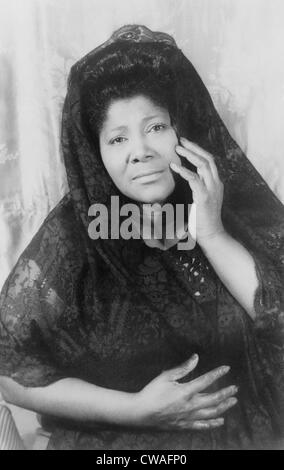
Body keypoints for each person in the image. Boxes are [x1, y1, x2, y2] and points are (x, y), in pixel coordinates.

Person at [0, 24, 283, 450]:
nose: (140, 151)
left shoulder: (227, 211)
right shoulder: (74, 238)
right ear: (97, 155)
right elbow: (11, 372)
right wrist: (135, 409)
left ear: (183, 131)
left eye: (155, 128)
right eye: (117, 138)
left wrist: (212, 232)